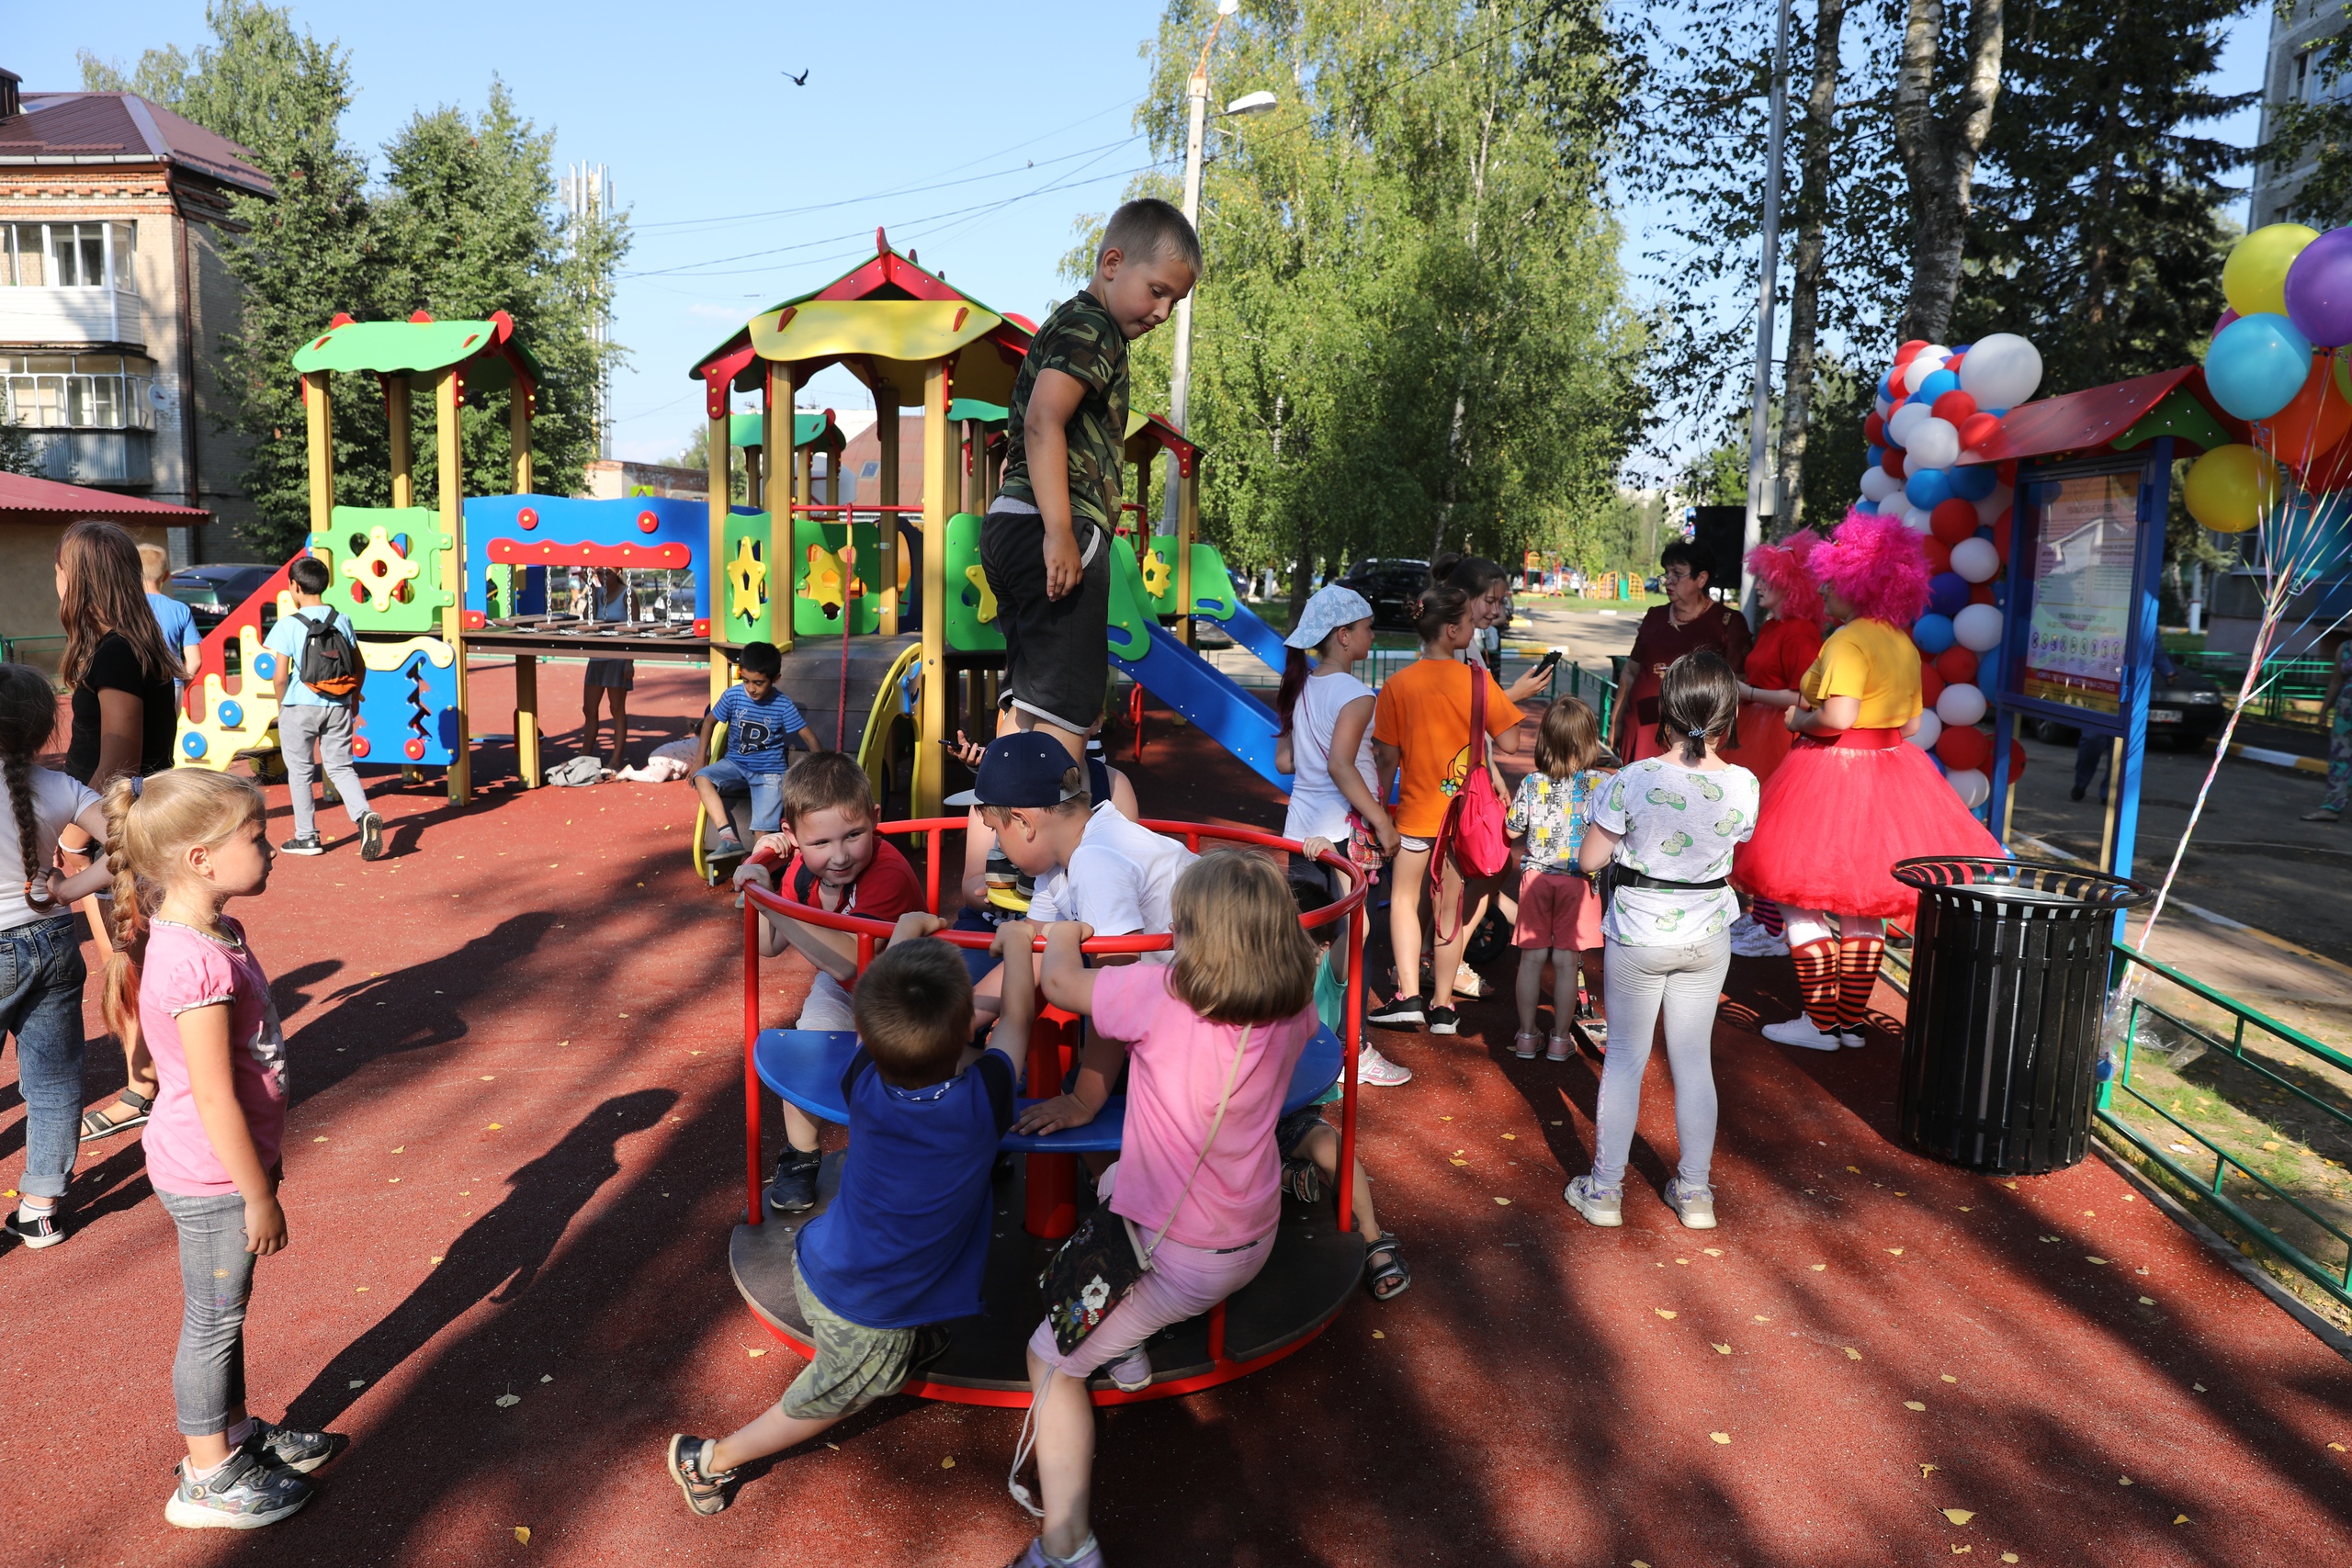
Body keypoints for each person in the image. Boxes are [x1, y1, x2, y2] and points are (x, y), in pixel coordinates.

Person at [1006, 853, 1321, 1568]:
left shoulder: (1163, 993)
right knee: (1116, 1181)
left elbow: (1060, 983)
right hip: (1251, 1227)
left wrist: (1064, 930)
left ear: (1192, 937)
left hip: (1181, 1250)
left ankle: (1067, 1544)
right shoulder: (1293, 1004)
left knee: (1049, 1360)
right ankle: (1127, 1343)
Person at [664, 915, 1032, 1516]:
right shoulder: (979, 1104)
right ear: (968, 1025)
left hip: (824, 1257)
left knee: (891, 1320)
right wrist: (1019, 945)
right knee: (832, 1395)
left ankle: (914, 1341)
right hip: (868, 1307)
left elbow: (875, 1016)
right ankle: (708, 1458)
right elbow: (1017, 1021)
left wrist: (904, 933)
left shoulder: (862, 1080)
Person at [101, 769, 334, 1529]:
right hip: (211, 1175)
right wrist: (256, 1192)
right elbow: (212, 1094)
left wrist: (261, 1165)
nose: (272, 849)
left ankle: (232, 1434)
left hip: (229, 1163)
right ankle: (205, 1475)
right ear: (201, 859)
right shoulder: (194, 961)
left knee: (225, 1311)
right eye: (257, 838)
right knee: (213, 1320)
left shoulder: (215, 933)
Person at [1734, 510, 2003, 1051]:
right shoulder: (1901, 642)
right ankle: (1849, 1023)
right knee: (1864, 908)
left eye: (1832, 582)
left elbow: (1835, 717)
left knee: (1799, 900)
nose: (1823, 591)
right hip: (1891, 773)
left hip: (1830, 772)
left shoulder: (1846, 641)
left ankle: (1819, 1023)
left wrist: (1798, 719)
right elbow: (1910, 724)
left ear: (1857, 585)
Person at [980, 198, 1198, 766]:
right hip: (1058, 524)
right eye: (1157, 291)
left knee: (1029, 703)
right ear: (1112, 263)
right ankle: (1061, 823)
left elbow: (1024, 432)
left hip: (1011, 522)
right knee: (1068, 716)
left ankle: (999, 818)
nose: (1163, 312)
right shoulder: (1094, 327)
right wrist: (1059, 532)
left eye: (1174, 302)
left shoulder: (1066, 322)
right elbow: (1043, 420)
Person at [1563, 650, 1756, 1233]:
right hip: (1708, 933)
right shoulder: (1744, 784)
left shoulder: (1634, 777)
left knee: (1625, 1060)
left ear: (1666, 712)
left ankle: (1604, 1191)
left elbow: (1589, 859)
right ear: (1728, 716)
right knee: (1693, 1062)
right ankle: (1695, 1194)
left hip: (1639, 931)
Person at [969, 732, 1197, 1136]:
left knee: (1075, 1107)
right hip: (1173, 1003)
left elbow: (1118, 994)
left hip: (1204, 1018)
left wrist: (1084, 1100)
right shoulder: (1063, 857)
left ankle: (1124, 1176)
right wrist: (961, 1018)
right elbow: (1032, 950)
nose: (998, 845)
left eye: (995, 832)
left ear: (1023, 823)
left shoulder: (1096, 861)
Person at [730, 751, 925, 1213]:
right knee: (808, 1050)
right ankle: (800, 1156)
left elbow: (847, 960)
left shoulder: (887, 873)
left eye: (854, 835)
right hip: (845, 990)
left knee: (901, 1078)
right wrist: (761, 888)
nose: (839, 855)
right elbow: (768, 945)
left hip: (907, 994)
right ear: (793, 837)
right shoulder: (804, 869)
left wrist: (772, 904)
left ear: (874, 819)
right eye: (821, 842)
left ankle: (929, 1151)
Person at [56, 519, 180, 1143]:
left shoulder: (116, 652)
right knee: (136, 961)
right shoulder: (129, 645)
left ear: (81, 579)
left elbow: (119, 762)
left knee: (129, 964)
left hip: (117, 832)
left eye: (60, 569)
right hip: (124, 827)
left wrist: (74, 836)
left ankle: (145, 1088)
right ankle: (155, 1082)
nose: (55, 580)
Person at [1366, 584, 1524, 1035]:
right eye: (1470, 622)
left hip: (1417, 814)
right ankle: (1442, 1007)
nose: (1475, 629)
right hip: (1462, 819)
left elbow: (1386, 757)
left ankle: (1408, 996)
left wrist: (1378, 809)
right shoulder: (1477, 680)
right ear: (1452, 631)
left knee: (1403, 899)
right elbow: (1511, 741)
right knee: (1449, 909)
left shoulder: (1398, 685)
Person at [0, 665, 118, 1248]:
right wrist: (71, 889)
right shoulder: (62, 787)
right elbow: (136, 840)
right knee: (54, 1082)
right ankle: (41, 1208)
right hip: (52, 939)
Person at [1272, 584, 1409, 1087]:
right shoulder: (1355, 694)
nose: (1373, 634)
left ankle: (1306, 1044)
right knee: (1355, 945)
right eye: (1368, 627)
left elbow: (1284, 761)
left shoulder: (1301, 687)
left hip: (1301, 831)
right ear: (1344, 635)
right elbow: (1341, 765)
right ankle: (1355, 1048)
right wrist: (1383, 822)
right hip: (1343, 836)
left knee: (1310, 945)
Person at [1281, 862, 1408, 1299]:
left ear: (1321, 948)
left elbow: (1359, 927)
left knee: (1329, 1146)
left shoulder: (1326, 974)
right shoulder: (1257, 975)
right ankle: (1282, 1173)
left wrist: (1343, 879)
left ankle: (1371, 1236)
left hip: (1293, 1112)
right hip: (1244, 1113)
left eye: (1294, 942)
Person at [1507, 695, 1610, 1062]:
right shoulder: (1601, 783)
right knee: (1567, 962)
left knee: (1531, 959)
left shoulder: (1532, 782)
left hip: (1537, 878)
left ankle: (1526, 1035)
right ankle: (1560, 1040)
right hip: (1578, 881)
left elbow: (1513, 828)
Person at [263, 556, 383, 861]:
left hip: (299, 705)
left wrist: (282, 705)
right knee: (341, 767)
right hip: (339, 702)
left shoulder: (288, 624)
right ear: (325, 584)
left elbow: (280, 675)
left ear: (294, 586)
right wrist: (353, 697)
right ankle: (363, 814)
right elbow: (359, 665)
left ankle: (307, 837)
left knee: (301, 771)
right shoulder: (342, 619)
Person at [1612, 540, 1752, 764]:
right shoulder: (1655, 616)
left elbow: (1737, 684)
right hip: (1641, 729)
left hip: (1693, 739)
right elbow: (1630, 672)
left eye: (1677, 574)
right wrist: (1616, 721)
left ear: (1701, 579)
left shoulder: (1727, 622)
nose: (1668, 580)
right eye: (1666, 573)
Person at [694, 640, 819, 863]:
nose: (751, 688)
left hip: (769, 773)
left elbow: (808, 736)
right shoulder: (733, 696)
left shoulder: (782, 704)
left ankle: (756, 872)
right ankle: (729, 838)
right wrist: (700, 759)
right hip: (735, 764)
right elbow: (709, 722)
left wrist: (820, 769)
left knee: (763, 833)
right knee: (701, 777)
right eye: (746, 681)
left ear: (775, 678)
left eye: (759, 683)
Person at [1436, 554, 1553, 705]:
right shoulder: (1447, 646)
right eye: (1490, 601)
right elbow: (1460, 709)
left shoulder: (1465, 641)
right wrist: (1515, 694)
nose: (1496, 611)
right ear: (1462, 596)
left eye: (1500, 602)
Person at [2075, 645, 2177, 802]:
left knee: (2119, 744)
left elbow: (2152, 646)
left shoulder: (2144, 626)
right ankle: (2081, 783)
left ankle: (2109, 793)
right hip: (2098, 686)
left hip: (2128, 688)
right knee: (2092, 739)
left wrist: (2168, 671)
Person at [582, 567, 637, 771]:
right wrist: (590, 592)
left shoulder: (627, 594)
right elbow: (587, 618)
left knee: (616, 709)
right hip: (597, 657)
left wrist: (629, 661)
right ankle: (584, 754)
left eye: (608, 573)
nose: (603, 577)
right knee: (589, 708)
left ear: (619, 572)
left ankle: (615, 759)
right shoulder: (597, 593)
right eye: (599, 573)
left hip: (617, 658)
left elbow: (634, 628)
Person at [141, 543, 203, 685]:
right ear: (166, 576)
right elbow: (195, 660)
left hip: (135, 684)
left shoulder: (123, 607)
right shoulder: (180, 609)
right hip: (171, 683)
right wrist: (181, 685)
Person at [2307, 637, 2352, 823]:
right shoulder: (2345, 647)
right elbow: (2336, 681)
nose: (2348, 623)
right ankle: (2331, 808)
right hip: (2345, 714)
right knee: (2340, 759)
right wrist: (2324, 711)